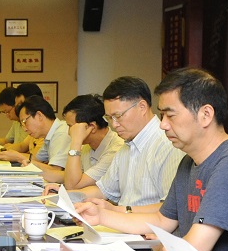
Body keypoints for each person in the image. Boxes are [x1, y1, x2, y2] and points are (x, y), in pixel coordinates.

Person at [75, 69, 228, 251]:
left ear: (205, 114)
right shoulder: (188, 161)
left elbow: (194, 249)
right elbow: (162, 220)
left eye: (170, 116)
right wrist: (101, 216)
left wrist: (165, 243)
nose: (163, 125)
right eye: (162, 115)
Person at [75, 76, 184, 207]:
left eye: (118, 116)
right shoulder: (126, 146)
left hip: (141, 220)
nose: (114, 125)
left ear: (142, 107)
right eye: (109, 118)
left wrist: (117, 212)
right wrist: (65, 196)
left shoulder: (167, 145)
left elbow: (170, 209)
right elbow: (103, 190)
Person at [59, 94, 125, 191]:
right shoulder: (87, 147)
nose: (69, 133)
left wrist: (76, 142)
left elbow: (72, 186)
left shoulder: (116, 150)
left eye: (71, 127)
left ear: (92, 127)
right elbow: (70, 179)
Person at [0, 95, 70, 183]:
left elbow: (55, 171)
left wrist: (19, 158)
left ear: (39, 115)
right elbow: (36, 159)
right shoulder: (49, 135)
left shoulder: (61, 133)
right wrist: (16, 156)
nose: (24, 129)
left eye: (25, 122)